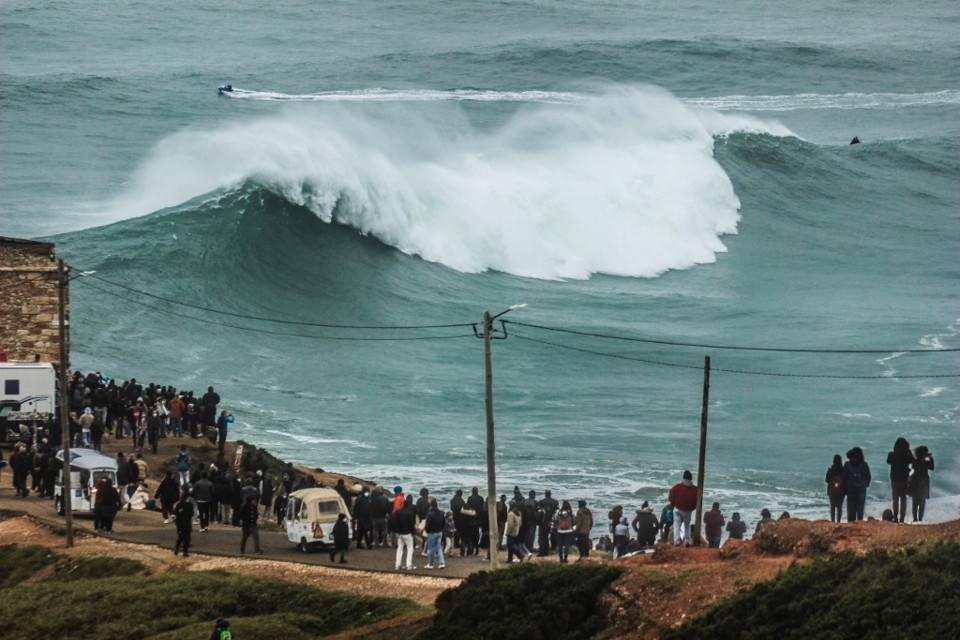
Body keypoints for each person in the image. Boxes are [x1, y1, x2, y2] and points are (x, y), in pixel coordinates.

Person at [886, 438, 913, 523]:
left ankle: (895, 517)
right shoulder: (907, 455)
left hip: (894, 479)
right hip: (904, 479)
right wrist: (909, 452)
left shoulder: (892, 454)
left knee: (895, 499)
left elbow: (888, 461)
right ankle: (902, 518)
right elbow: (913, 461)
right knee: (903, 499)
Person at [668, 470, 698, 546]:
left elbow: (671, 496)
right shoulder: (695, 489)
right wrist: (692, 508)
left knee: (676, 525)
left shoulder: (677, 487)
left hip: (677, 509)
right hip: (687, 511)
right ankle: (687, 541)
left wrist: (673, 504)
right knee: (687, 526)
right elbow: (697, 501)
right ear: (691, 479)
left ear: (683, 478)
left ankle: (677, 542)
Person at [842, 447, 871, 522]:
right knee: (860, 509)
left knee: (851, 510)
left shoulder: (847, 464)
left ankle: (851, 525)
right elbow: (868, 476)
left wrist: (845, 488)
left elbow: (843, 477)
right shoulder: (864, 465)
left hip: (850, 489)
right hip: (861, 489)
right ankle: (859, 524)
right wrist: (865, 485)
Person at [909, 446, 934, 522]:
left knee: (915, 501)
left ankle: (915, 519)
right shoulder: (926, 462)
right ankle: (920, 518)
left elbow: (912, 468)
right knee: (922, 501)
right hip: (924, 482)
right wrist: (931, 459)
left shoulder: (915, 461)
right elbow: (932, 468)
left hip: (915, 481)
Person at [392, 494, 417, 570]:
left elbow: (395, 521)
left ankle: (397, 565)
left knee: (400, 549)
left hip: (400, 533)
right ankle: (409, 565)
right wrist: (413, 533)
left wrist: (396, 531)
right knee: (410, 549)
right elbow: (411, 524)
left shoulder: (398, 512)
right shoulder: (409, 513)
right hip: (407, 533)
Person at [423, 498, 446, 569]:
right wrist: (441, 529)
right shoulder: (441, 513)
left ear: (431, 506)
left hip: (432, 532)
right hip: (439, 532)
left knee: (430, 548)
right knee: (438, 547)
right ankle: (442, 563)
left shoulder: (430, 514)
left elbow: (427, 525)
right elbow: (443, 523)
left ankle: (430, 564)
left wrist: (427, 531)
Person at [173, 486, 194, 557]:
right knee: (182, 537)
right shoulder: (183, 504)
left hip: (185, 522)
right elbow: (176, 513)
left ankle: (184, 551)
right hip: (181, 522)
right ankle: (179, 548)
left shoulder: (183, 504)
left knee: (186, 537)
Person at [825, 454, 845, 523]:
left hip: (832, 491)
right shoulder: (843, 470)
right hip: (841, 491)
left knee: (832, 507)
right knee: (839, 507)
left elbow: (827, 480)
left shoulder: (831, 469)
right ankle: (838, 521)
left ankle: (832, 521)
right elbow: (845, 480)